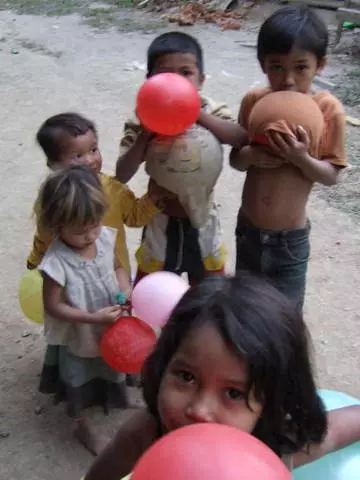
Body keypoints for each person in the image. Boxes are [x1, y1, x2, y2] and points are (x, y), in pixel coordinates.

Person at [84, 273, 360, 480]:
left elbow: (337, 430)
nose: (200, 410)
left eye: (233, 393)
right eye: (186, 376)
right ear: (163, 365)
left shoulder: (278, 447)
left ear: (270, 401)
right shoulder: (145, 431)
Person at [229, 6, 347, 310]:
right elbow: (236, 160)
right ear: (262, 65)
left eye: (300, 67)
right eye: (276, 67)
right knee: (246, 311)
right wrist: (251, 155)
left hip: (289, 242)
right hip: (248, 232)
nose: (289, 79)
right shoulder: (256, 102)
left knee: (285, 318)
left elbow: (331, 176)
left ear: (320, 65)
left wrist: (301, 158)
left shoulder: (327, 109)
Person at [116, 31, 247, 285]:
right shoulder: (142, 117)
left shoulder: (210, 109)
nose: (176, 82)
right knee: (154, 289)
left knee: (209, 294)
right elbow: (122, 174)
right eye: (165, 74)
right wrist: (146, 133)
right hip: (160, 222)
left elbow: (240, 136)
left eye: (185, 73)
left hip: (203, 221)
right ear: (149, 81)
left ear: (201, 80)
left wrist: (197, 114)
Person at [36, 165, 132, 456]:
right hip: (81, 331)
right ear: (57, 225)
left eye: (95, 224)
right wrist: (93, 318)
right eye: (80, 231)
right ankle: (82, 426)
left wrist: (125, 288)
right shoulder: (57, 261)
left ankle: (116, 396)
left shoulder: (104, 238)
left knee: (111, 362)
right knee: (79, 373)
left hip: (109, 323)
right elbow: (52, 306)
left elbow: (118, 267)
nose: (91, 235)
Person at [27, 112, 161, 277]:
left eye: (93, 149)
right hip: (72, 277)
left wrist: (153, 198)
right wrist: (36, 258)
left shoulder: (113, 189)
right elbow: (44, 234)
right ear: (53, 164)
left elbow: (135, 216)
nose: (90, 160)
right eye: (77, 156)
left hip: (114, 274)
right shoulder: (52, 198)